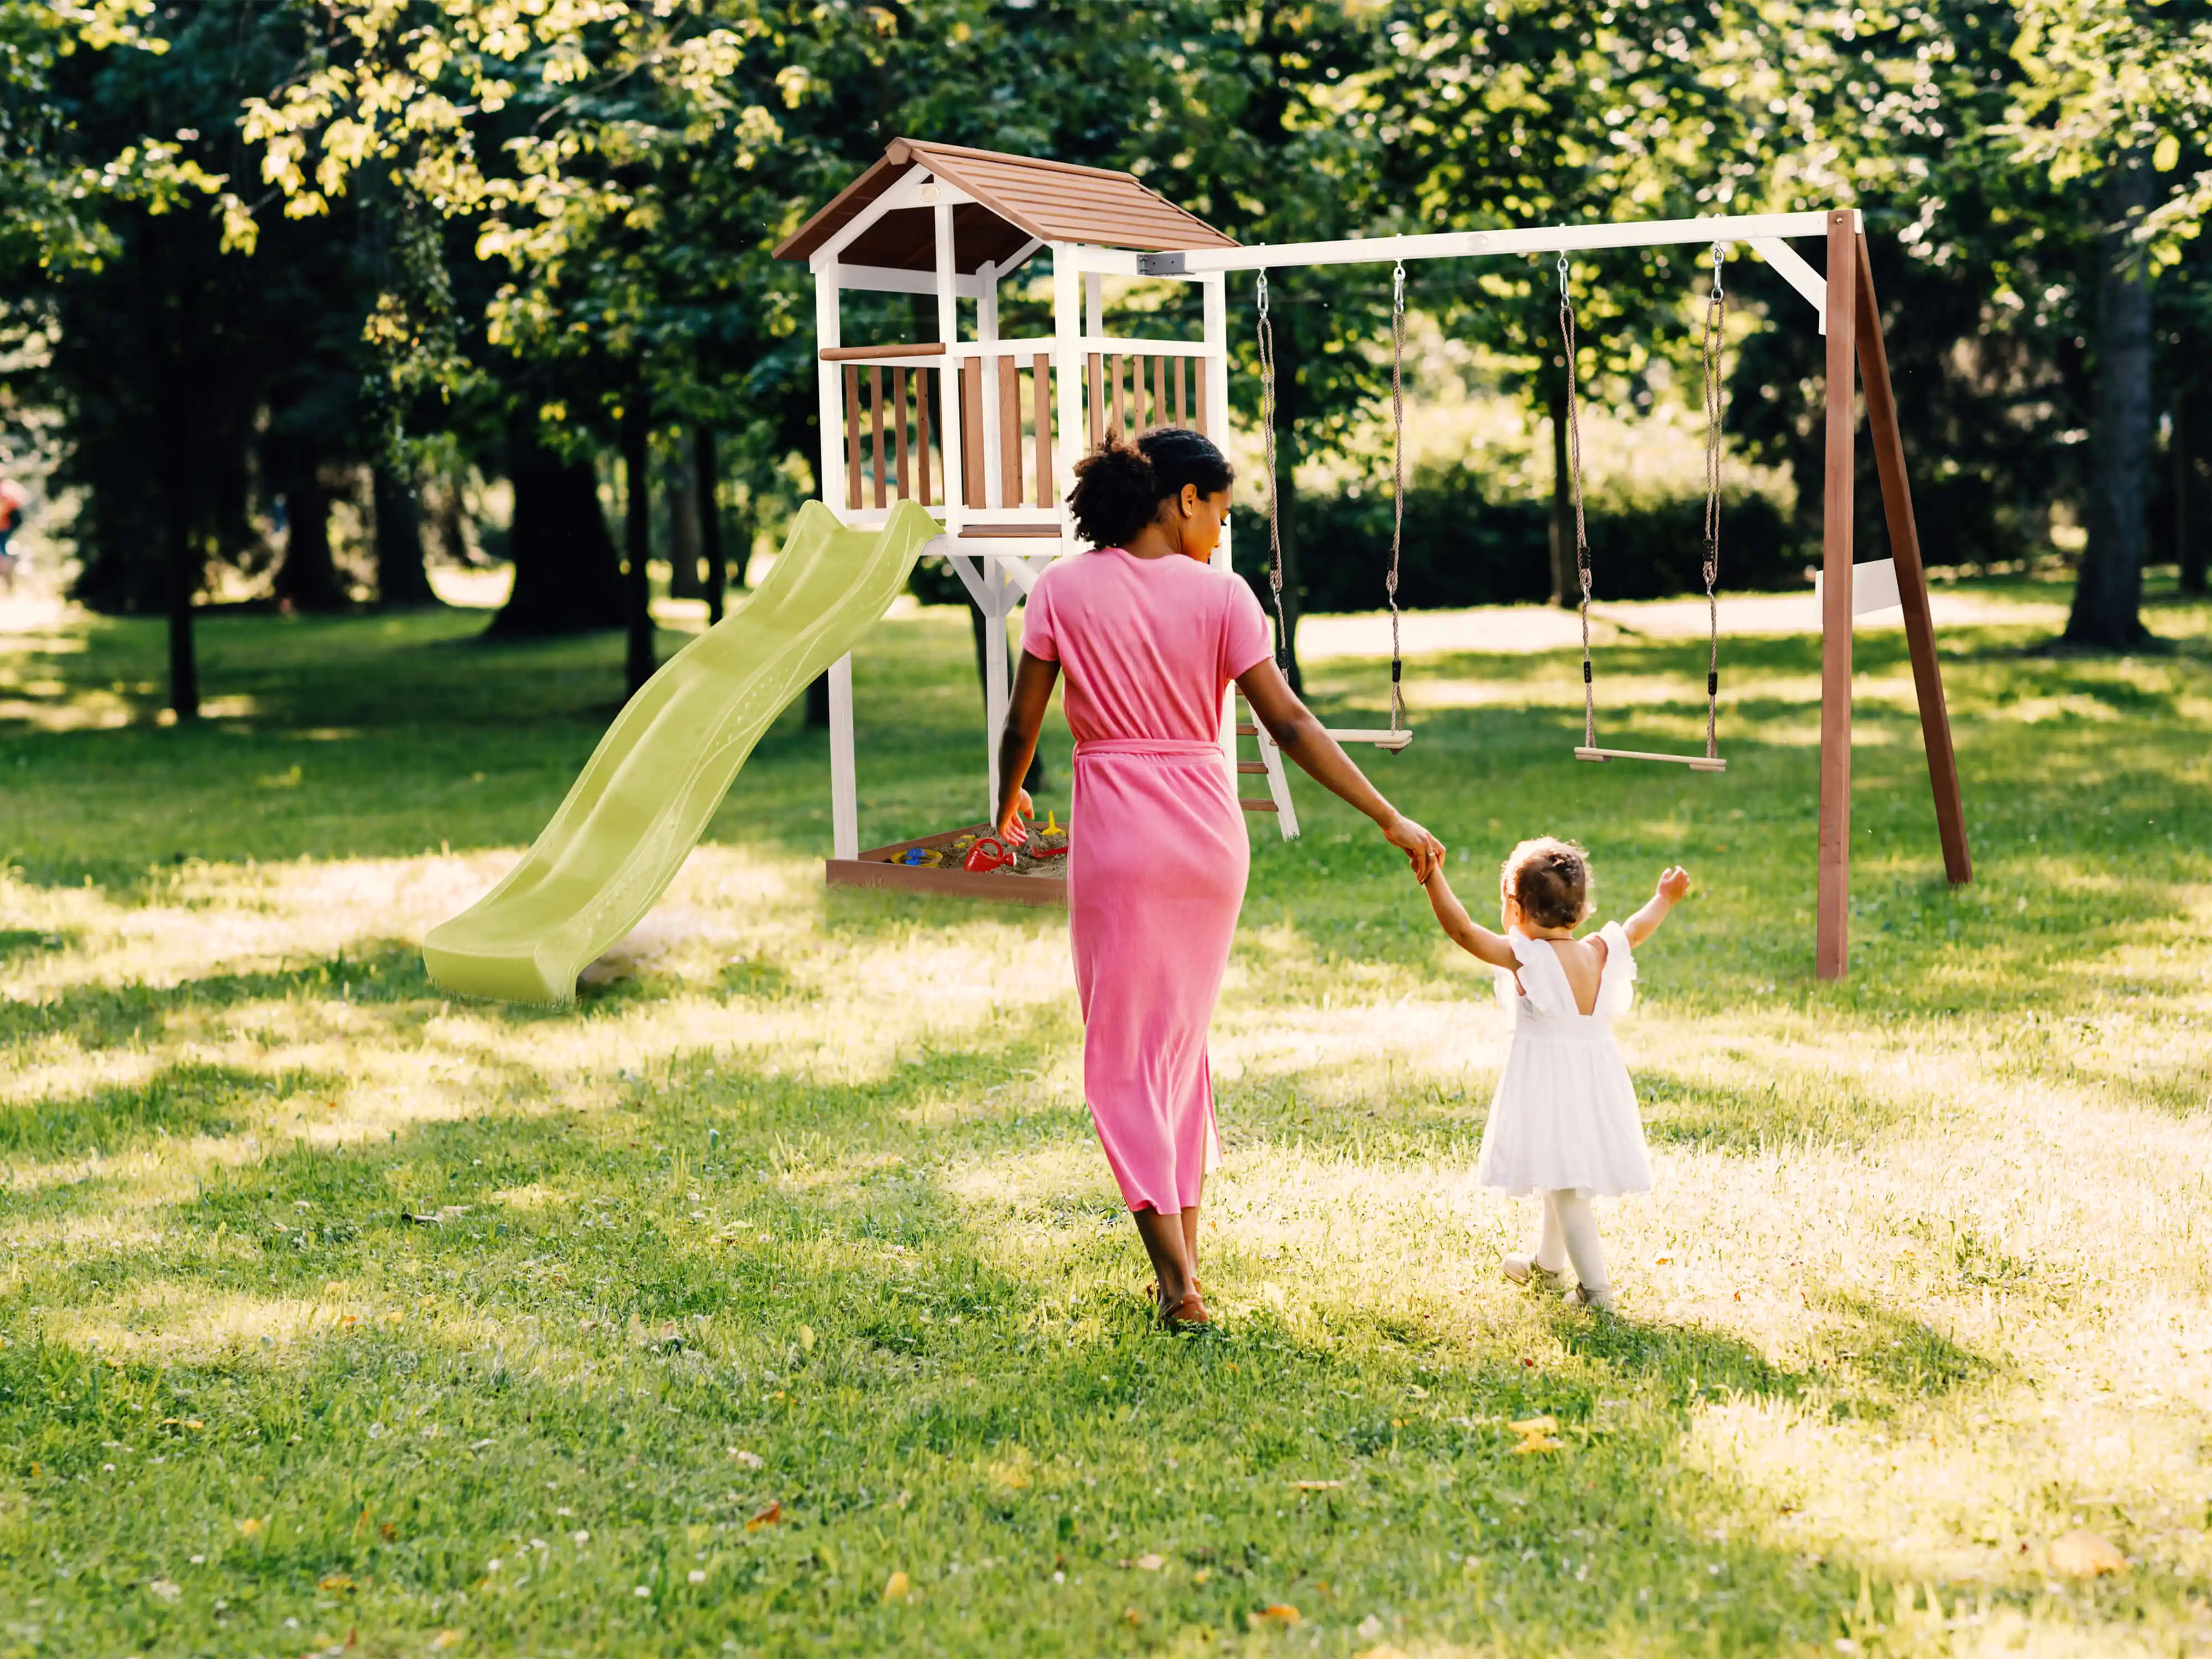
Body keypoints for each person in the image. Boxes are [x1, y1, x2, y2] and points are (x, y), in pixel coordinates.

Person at [993, 427, 1444, 1331]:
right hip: (1207, 839)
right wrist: (1387, 814)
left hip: (1120, 839)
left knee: (1123, 1058)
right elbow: (1291, 725)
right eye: (1222, 512)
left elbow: (1022, 724)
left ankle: (1177, 1284)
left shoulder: (1061, 591)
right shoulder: (1224, 598)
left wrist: (1002, 807)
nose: (1222, 532)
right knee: (1176, 1051)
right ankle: (1185, 1268)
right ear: (1183, 499)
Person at [1418, 838, 1691, 1312]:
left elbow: (1462, 931)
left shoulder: (1527, 958)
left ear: (1516, 908)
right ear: (1581, 911)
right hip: (1594, 1081)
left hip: (1550, 1084)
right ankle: (1547, 1268)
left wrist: (1431, 876)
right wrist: (1663, 899)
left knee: (1566, 1188)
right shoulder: (1599, 951)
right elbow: (1636, 928)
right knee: (1558, 1171)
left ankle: (1596, 1292)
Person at [0, 477, 26, 594]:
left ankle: (7, 577)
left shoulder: (4, 492)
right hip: (6, 527)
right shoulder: (8, 489)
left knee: (3, 553)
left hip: (4, 527)